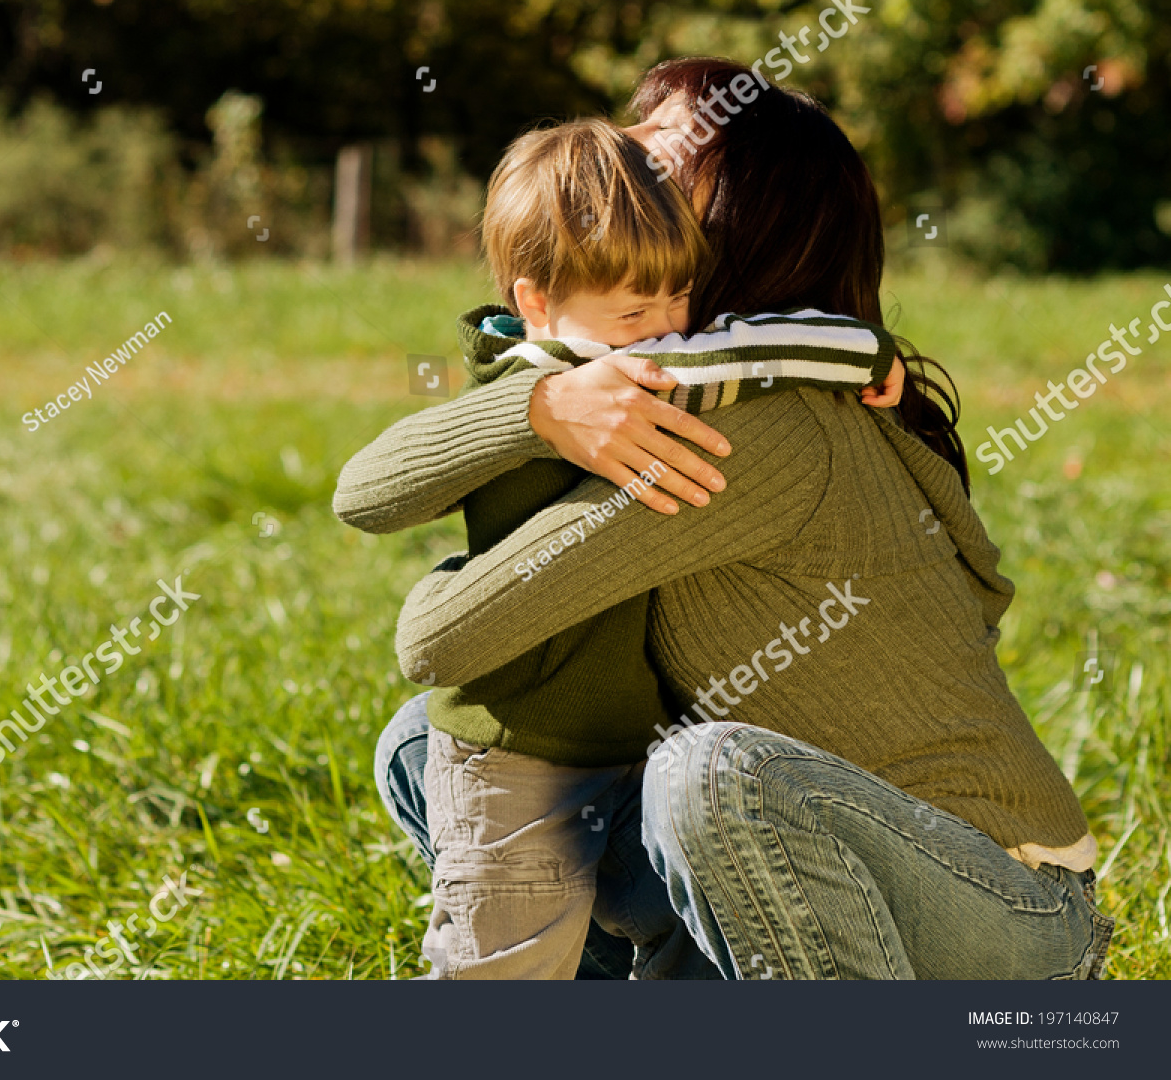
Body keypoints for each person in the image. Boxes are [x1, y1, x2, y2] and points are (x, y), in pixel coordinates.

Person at [344, 59, 1113, 980]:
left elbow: (436, 635)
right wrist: (542, 406)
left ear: (726, 229)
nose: (614, 196)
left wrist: (537, 421)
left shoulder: (745, 432)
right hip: (821, 851)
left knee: (708, 776)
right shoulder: (760, 383)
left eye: (650, 179)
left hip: (1003, 911)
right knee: (427, 745)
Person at [339, 113, 904, 980]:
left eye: (678, 296)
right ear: (535, 303)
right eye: (635, 308)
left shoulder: (659, 357)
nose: (667, 325)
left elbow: (777, 340)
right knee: (505, 968)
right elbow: (363, 491)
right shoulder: (529, 382)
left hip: (636, 756)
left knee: (697, 935)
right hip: (515, 764)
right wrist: (537, 413)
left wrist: (871, 356)